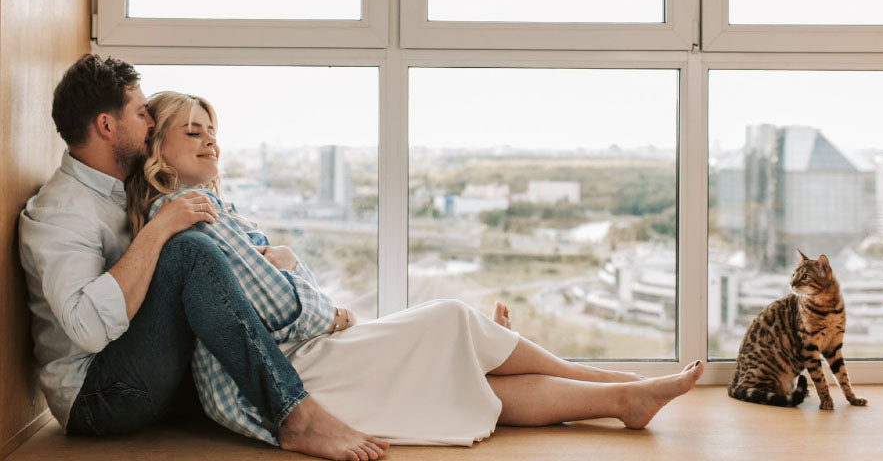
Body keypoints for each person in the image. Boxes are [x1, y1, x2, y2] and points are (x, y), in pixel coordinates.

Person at [124, 90, 706, 450]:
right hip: (284, 374)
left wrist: (290, 270)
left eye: (213, 132)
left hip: (293, 358)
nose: (211, 143)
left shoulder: (203, 209)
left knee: (464, 373)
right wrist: (323, 301)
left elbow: (274, 289)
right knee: (452, 320)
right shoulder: (182, 212)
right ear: (158, 151)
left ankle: (621, 397)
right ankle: (619, 387)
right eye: (192, 132)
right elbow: (275, 304)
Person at [19, 54, 390, 461]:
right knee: (188, 249)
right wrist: (161, 230)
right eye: (142, 113)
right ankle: (295, 415)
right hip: (99, 397)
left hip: (145, 371)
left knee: (202, 253)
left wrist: (256, 257)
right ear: (107, 126)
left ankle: (325, 392)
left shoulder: (125, 189)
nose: (150, 123)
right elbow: (87, 328)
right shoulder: (62, 211)